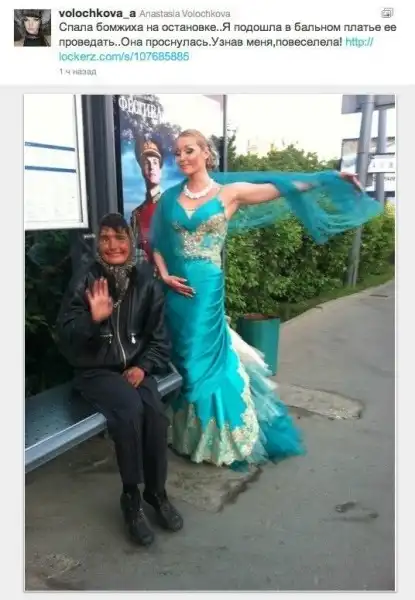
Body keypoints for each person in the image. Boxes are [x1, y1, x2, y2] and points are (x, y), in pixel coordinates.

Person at [150, 129, 382, 468]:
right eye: (178, 152)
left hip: (207, 289)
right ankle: (190, 433)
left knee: (202, 360)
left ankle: (220, 439)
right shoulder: (170, 197)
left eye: (189, 150)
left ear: (205, 154)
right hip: (177, 291)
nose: (182, 157)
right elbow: (157, 243)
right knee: (183, 358)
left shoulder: (229, 193)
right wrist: (164, 275)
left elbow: (280, 187)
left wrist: (328, 178)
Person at [56, 213, 183, 547]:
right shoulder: (85, 281)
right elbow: (65, 337)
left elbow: (159, 340)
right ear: (98, 243)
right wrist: (94, 321)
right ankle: (131, 497)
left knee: (154, 413)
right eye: (105, 239)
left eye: (120, 238)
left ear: (131, 241)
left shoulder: (147, 283)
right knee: (128, 409)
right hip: (95, 370)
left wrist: (144, 367)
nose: (112, 246)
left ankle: (156, 492)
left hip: (134, 369)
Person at [130, 138, 163, 263]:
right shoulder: (136, 214)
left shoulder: (171, 206)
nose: (151, 167)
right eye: (146, 162)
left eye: (155, 162)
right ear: (141, 169)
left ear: (160, 169)